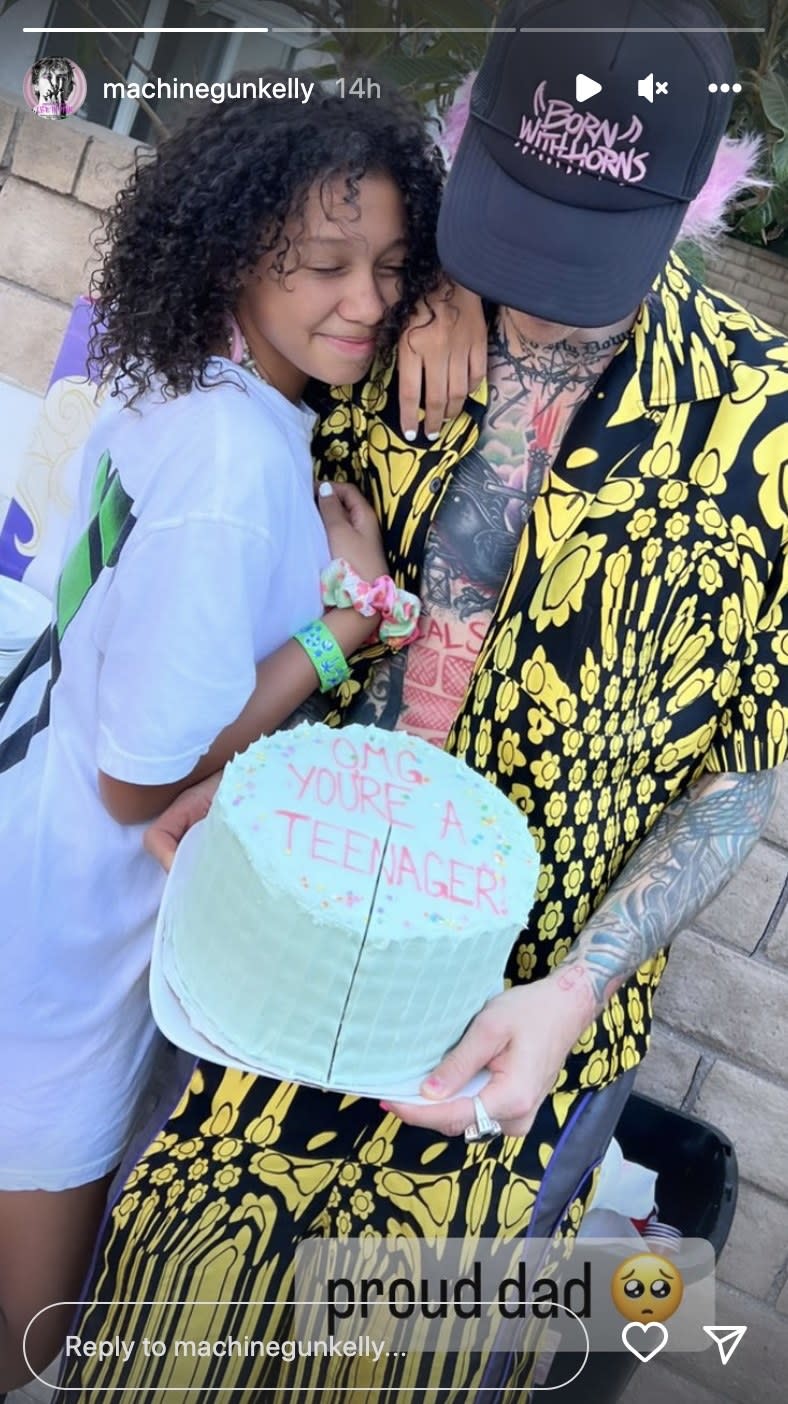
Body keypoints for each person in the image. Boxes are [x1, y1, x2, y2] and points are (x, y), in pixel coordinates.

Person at [56, 1, 788, 1400]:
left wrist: (577, 994)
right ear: (472, 141)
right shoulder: (381, 304)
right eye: (516, 223)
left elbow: (741, 772)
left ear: (698, 200)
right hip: (278, 947)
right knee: (152, 1351)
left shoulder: (770, 436)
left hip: (511, 1023)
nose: (536, 289)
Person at [0, 81, 488, 1392]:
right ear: (232, 256)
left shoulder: (174, 375)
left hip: (36, 859)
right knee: (35, 1338)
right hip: (73, 924)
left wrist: (450, 292)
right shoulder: (232, 460)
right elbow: (136, 782)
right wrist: (354, 626)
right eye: (325, 266)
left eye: (395, 268)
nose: (368, 302)